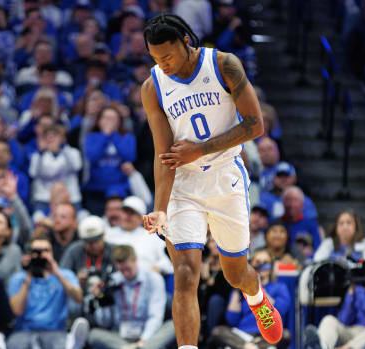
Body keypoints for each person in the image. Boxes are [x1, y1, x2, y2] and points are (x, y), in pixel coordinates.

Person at [140, 13, 284, 349]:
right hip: (183, 187)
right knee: (186, 274)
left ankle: (256, 296)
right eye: (155, 59)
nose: (162, 65)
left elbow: (254, 126)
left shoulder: (224, 65)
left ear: (186, 43)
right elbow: (165, 154)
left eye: (167, 56)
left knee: (235, 274)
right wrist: (160, 209)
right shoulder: (153, 87)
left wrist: (200, 150)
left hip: (225, 177)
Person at [0, 236, 88, 349]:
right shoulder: (19, 278)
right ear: (29, 254)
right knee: (15, 345)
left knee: (59, 345)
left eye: (46, 251)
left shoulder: (65, 274)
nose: (41, 255)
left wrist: (57, 273)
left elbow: (78, 299)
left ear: (52, 252)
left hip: (56, 330)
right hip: (23, 331)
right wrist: (28, 276)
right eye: (36, 251)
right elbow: (17, 310)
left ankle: (73, 345)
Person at [304, 251, 365, 349]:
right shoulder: (358, 291)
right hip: (355, 332)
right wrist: (351, 290)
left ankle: (347, 348)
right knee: (329, 320)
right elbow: (343, 320)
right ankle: (321, 346)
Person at [87, 245, 176, 349]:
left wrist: (144, 340)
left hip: (148, 336)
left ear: (135, 260)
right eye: (121, 270)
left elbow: (156, 316)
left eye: (128, 269)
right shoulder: (112, 282)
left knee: (173, 326)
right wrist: (101, 299)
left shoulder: (153, 278)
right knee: (93, 334)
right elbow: (105, 323)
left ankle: (137, 347)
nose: (125, 274)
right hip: (120, 336)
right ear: (116, 266)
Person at [209, 248, 291, 349]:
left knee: (285, 335)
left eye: (266, 262)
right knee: (217, 331)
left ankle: (251, 347)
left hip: (265, 336)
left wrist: (259, 289)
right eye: (258, 262)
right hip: (243, 335)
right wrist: (238, 289)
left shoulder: (280, 287)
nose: (262, 265)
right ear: (252, 264)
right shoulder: (242, 289)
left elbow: (281, 310)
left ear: (271, 266)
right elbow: (232, 320)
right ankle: (248, 346)